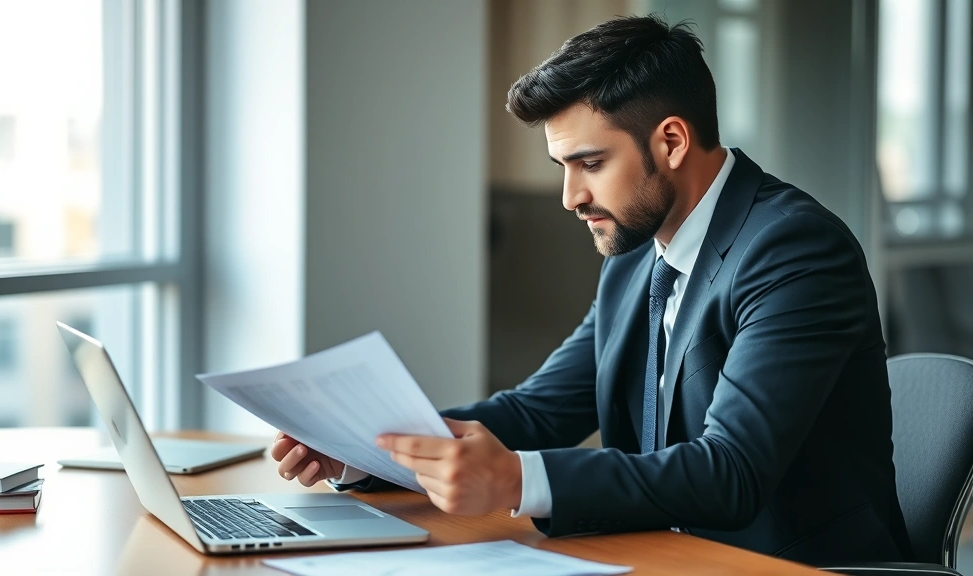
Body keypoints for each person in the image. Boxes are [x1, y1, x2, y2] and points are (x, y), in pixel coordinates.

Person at [270, 14, 913, 565]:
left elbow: (731, 472)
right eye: (563, 167)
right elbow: (538, 412)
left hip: (786, 569)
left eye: (591, 164)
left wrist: (517, 478)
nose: (571, 197)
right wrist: (365, 450)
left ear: (671, 141)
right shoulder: (638, 253)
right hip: (666, 557)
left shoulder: (794, 249)